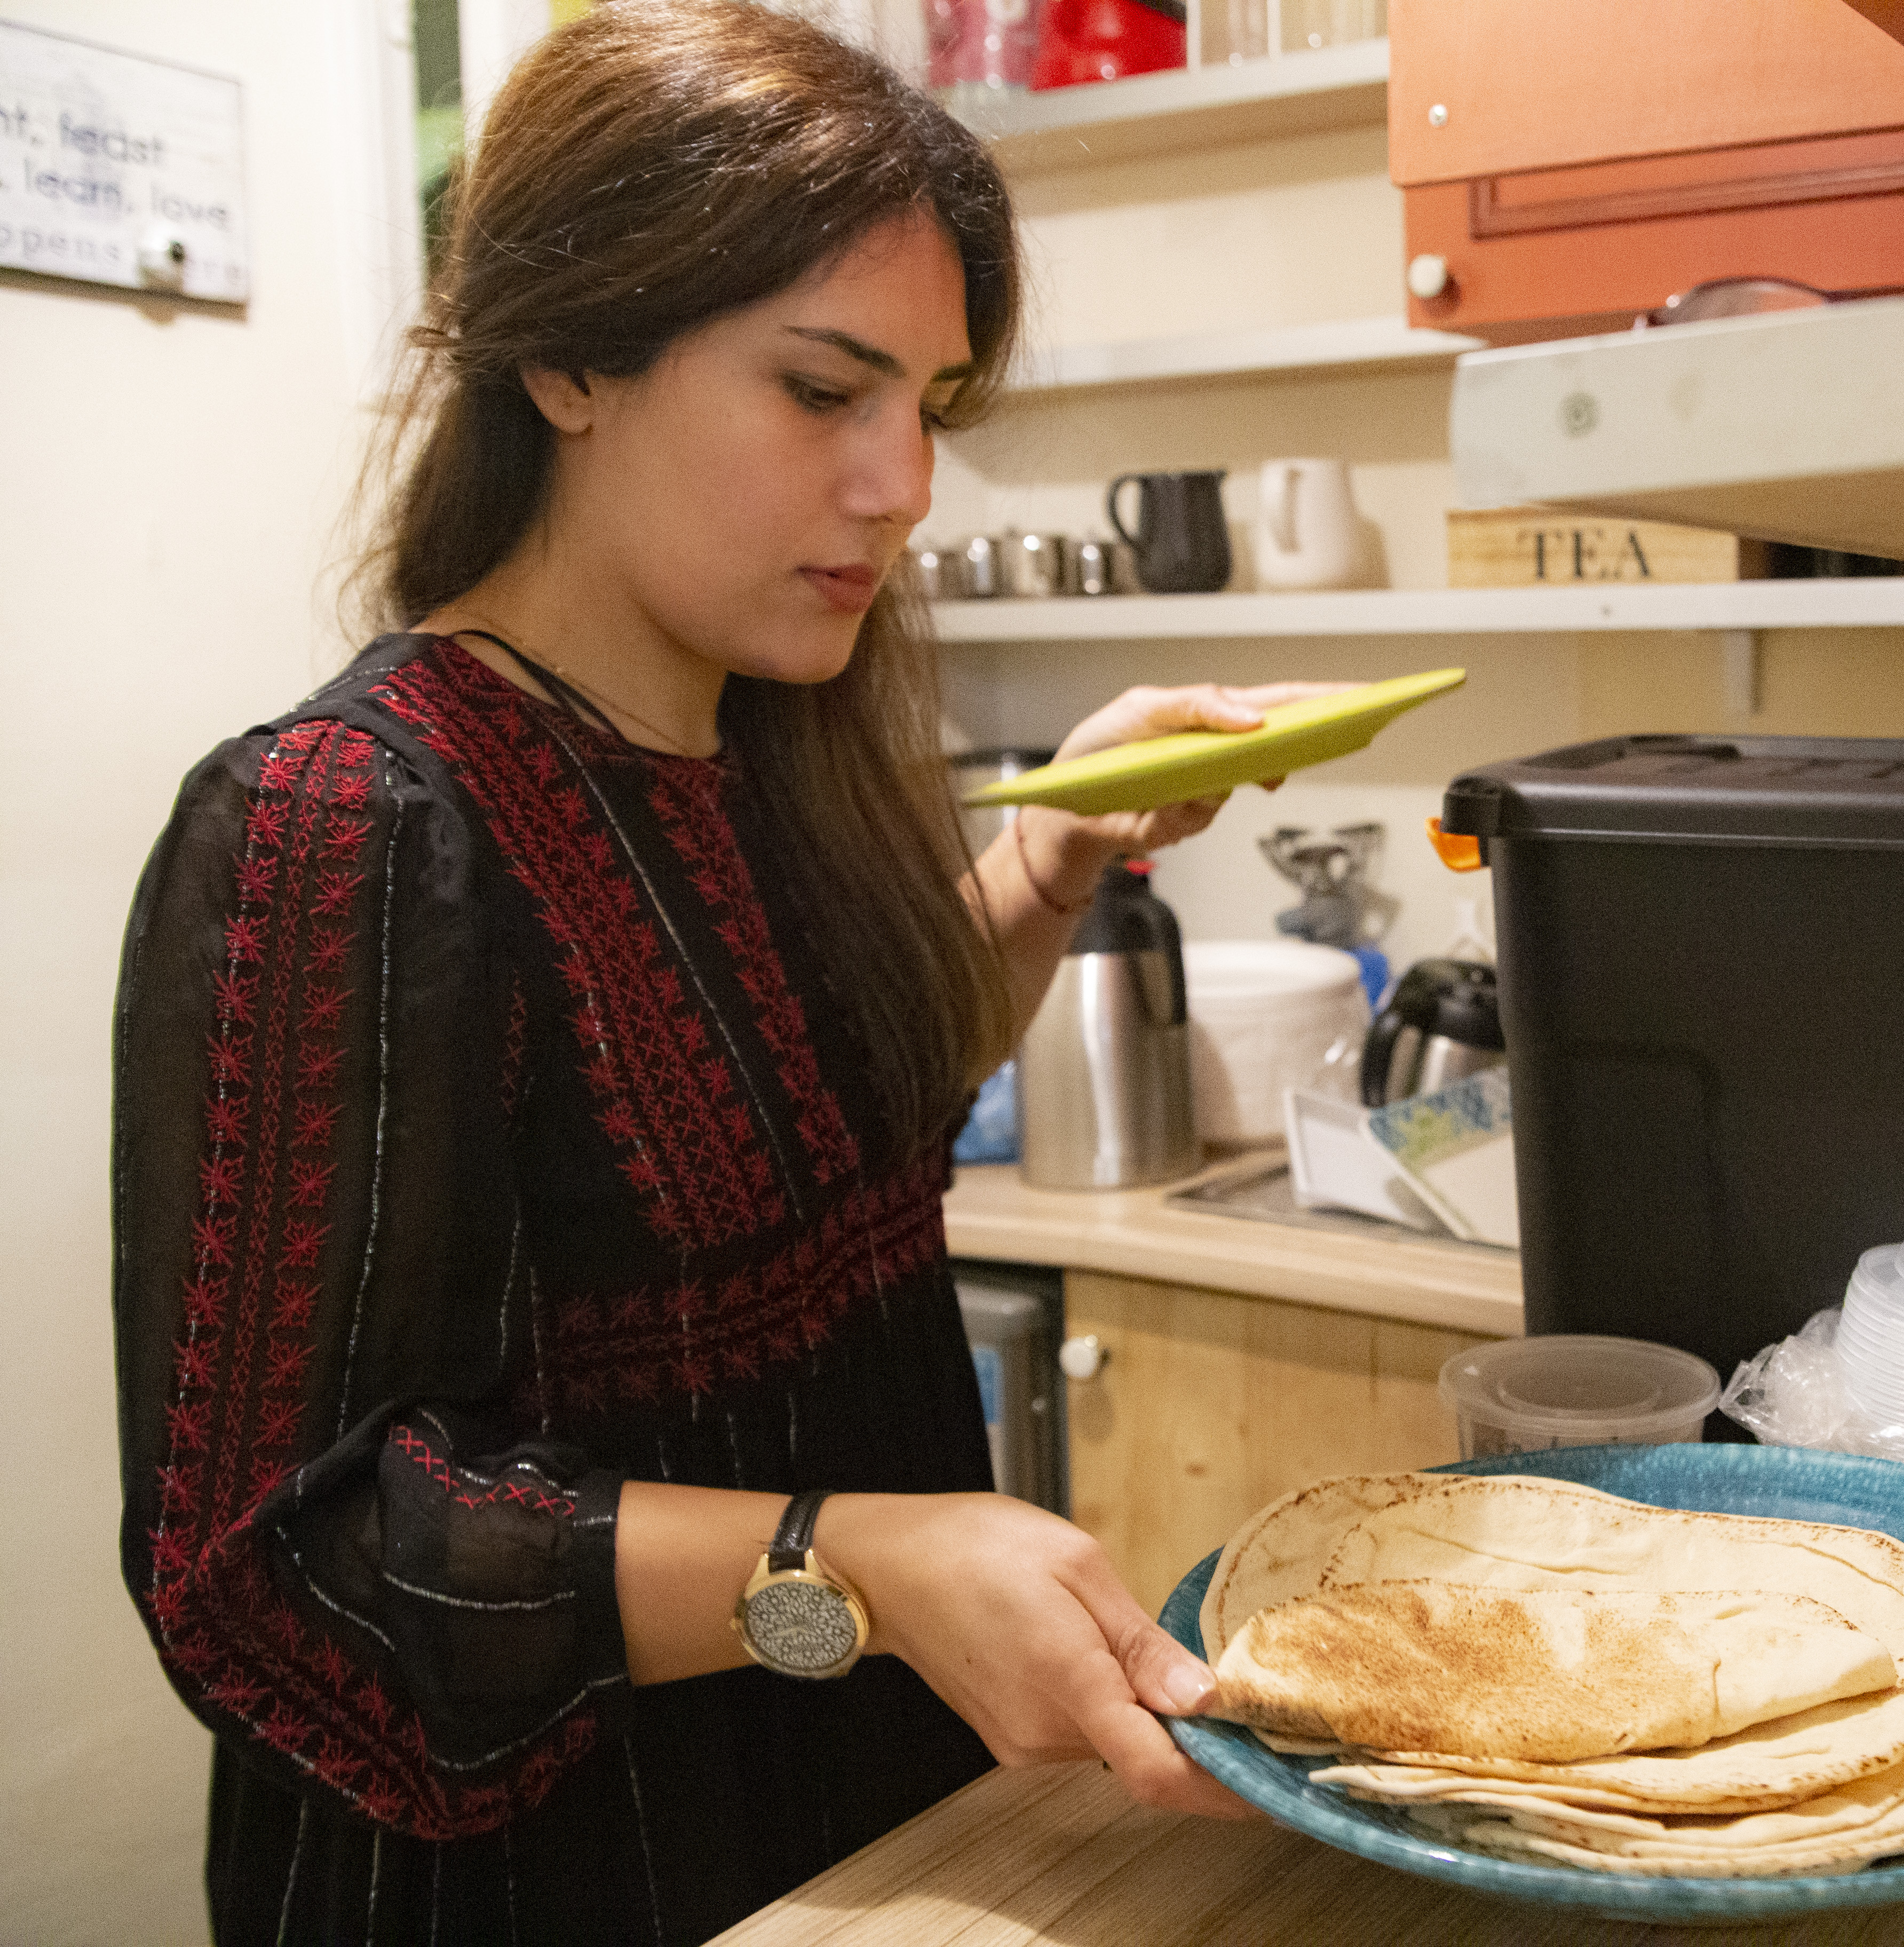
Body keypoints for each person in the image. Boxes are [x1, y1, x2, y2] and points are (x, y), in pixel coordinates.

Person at [110, 6, 1297, 1937]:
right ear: (571, 354)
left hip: (858, 1826)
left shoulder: (768, 748)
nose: (903, 483)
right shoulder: (353, 818)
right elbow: (283, 1558)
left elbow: (813, 1154)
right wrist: (860, 1562)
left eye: (931, 403)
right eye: (826, 390)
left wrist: (1050, 860)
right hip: (553, 1874)